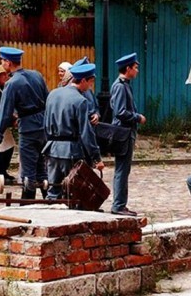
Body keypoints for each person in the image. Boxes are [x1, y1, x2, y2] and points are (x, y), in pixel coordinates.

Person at [0, 46, 49, 199]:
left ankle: (27, 205)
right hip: (44, 126)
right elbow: (48, 100)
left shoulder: (12, 83)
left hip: (28, 128)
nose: (2, 64)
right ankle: (51, 202)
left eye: (3, 61)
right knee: (42, 168)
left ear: (8, 63)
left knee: (28, 171)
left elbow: (4, 112)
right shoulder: (37, 75)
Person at [43, 63, 105, 201]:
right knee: (73, 192)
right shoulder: (80, 100)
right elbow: (86, 133)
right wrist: (96, 158)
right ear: (83, 80)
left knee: (53, 191)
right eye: (90, 82)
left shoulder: (53, 94)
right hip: (71, 151)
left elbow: (45, 124)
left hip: (52, 148)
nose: (90, 87)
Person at [110, 53, 146, 216]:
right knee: (122, 170)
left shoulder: (125, 85)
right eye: (135, 68)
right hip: (123, 133)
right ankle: (118, 205)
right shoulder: (119, 86)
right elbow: (120, 112)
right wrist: (137, 117)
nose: (137, 71)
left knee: (124, 170)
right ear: (128, 68)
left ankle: (120, 204)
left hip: (126, 132)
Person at [72, 56, 99, 124]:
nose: (91, 84)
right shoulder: (72, 92)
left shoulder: (89, 90)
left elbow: (95, 106)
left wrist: (96, 114)